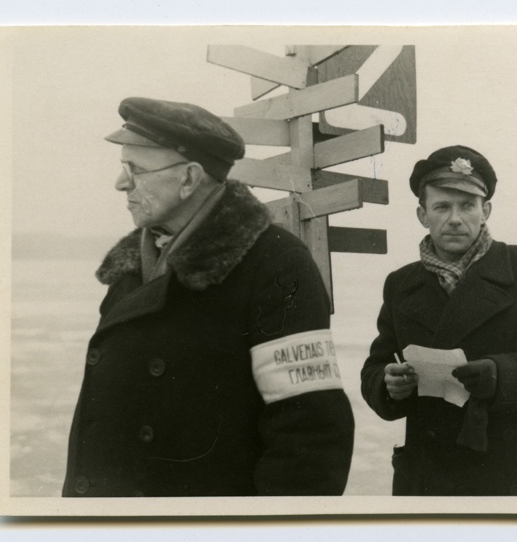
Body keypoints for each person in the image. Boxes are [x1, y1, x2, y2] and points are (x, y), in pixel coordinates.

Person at [63, 97, 354, 497]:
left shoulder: (277, 265)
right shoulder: (132, 269)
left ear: (189, 178)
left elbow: (310, 436)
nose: (121, 183)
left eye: (135, 170)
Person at [360, 145, 517, 496]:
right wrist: (388, 384)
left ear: (485, 211)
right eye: (442, 206)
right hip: (429, 479)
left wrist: (500, 375)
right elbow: (377, 365)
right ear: (422, 215)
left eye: (467, 206)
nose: (455, 218)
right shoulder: (401, 284)